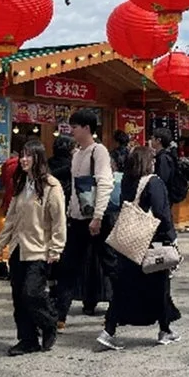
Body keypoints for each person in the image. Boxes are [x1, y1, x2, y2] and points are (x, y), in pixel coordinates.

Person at [96, 145, 182, 350]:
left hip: (129, 243)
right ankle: (164, 330)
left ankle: (109, 330)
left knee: (124, 288)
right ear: (148, 162)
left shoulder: (127, 181)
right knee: (160, 287)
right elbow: (162, 213)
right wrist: (172, 239)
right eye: (152, 160)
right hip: (151, 242)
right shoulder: (154, 182)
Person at [0, 140, 66, 356]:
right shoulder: (20, 184)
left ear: (39, 158)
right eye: (22, 155)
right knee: (18, 296)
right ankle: (27, 339)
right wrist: (1, 244)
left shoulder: (51, 186)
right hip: (19, 248)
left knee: (31, 292)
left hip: (39, 249)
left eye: (29, 156)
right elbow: (11, 217)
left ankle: (49, 322)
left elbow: (58, 220)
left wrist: (56, 248)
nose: (24, 160)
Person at [57, 110, 114, 323]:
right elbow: (74, 190)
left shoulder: (98, 151)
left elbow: (105, 183)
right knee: (68, 265)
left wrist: (98, 216)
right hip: (78, 219)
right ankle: (59, 314)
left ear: (87, 128)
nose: (71, 131)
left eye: (75, 127)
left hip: (97, 219)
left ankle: (120, 306)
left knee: (109, 264)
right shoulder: (77, 154)